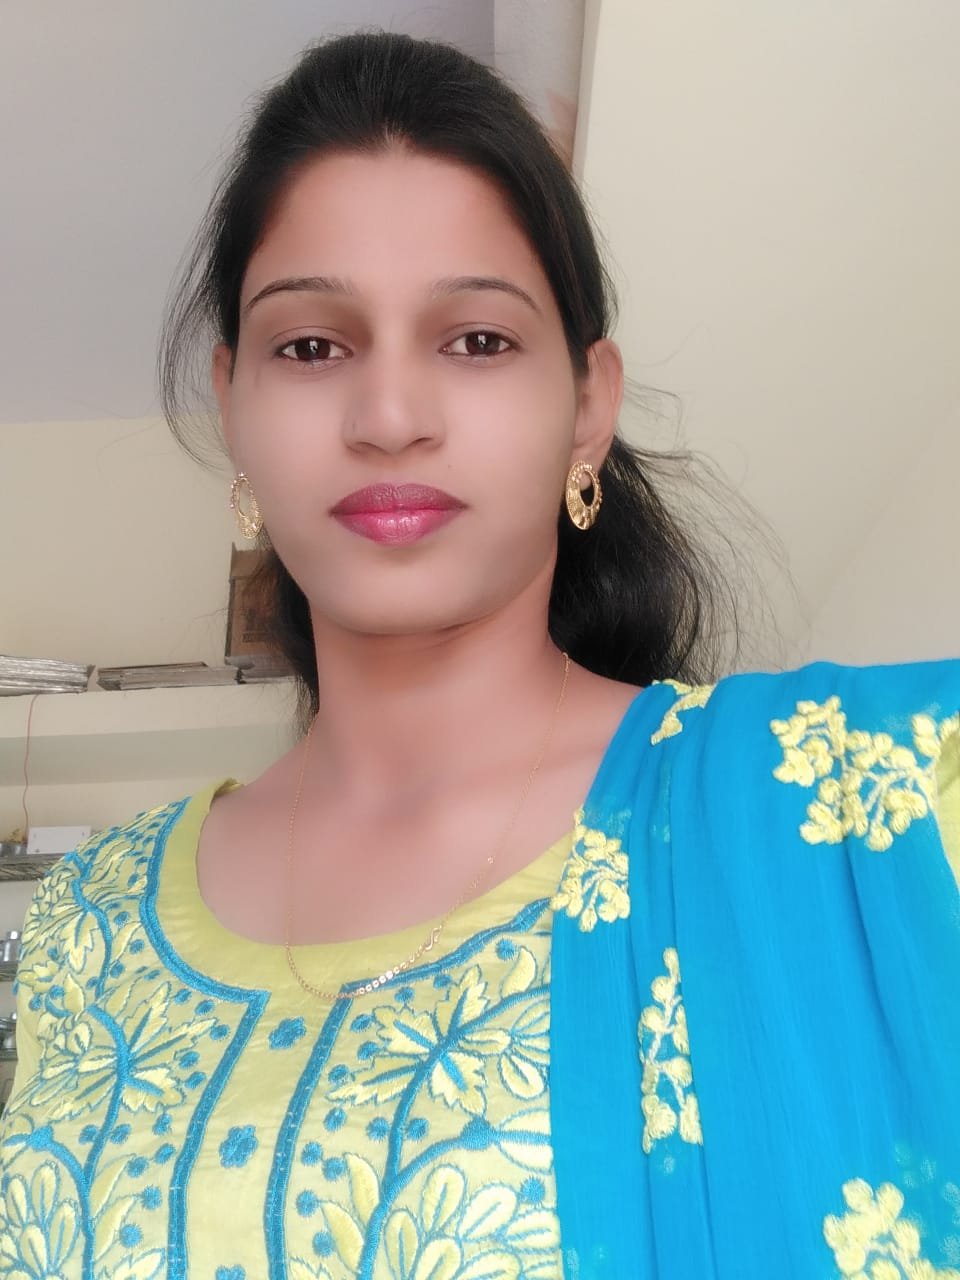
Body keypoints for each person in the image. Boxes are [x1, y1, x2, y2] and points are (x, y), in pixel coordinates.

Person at [1, 28, 957, 1280]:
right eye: (311, 345)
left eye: (477, 341)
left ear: (589, 405)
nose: (390, 416)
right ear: (233, 403)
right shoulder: (84, 926)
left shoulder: (862, 794)